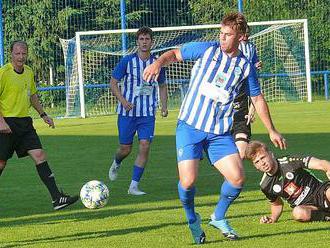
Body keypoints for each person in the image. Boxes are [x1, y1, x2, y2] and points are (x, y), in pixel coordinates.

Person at [143, 12, 286, 244]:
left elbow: (257, 99)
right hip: (190, 126)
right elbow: (174, 54)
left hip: (218, 133)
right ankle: (192, 220)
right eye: (221, 33)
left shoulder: (245, 66)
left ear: (241, 37)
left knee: (238, 178)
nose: (222, 38)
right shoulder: (206, 49)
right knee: (188, 182)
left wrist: (272, 130)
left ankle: (218, 217)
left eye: (228, 35)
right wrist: (158, 63)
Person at [0, 40, 78, 210]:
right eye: (17, 53)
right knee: (1, 164)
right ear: (11, 54)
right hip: (6, 123)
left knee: (40, 155)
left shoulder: (28, 72)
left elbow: (32, 95)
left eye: (24, 53)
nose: (21, 57)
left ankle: (57, 199)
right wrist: (1, 121)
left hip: (24, 124)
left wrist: (43, 114)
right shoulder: (3, 73)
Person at [108, 26, 168, 196]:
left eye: (147, 39)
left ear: (152, 42)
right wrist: (123, 101)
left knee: (144, 145)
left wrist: (164, 106)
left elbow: (162, 85)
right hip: (127, 113)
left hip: (147, 113)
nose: (144, 42)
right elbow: (113, 82)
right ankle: (116, 162)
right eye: (141, 39)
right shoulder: (127, 61)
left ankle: (133, 186)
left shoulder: (157, 64)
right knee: (125, 149)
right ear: (137, 42)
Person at [245, 140, 330, 223]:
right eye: (257, 162)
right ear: (256, 166)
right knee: (297, 213)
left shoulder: (290, 161)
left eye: (263, 157)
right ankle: (326, 216)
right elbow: (277, 204)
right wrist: (272, 218)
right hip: (307, 206)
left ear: (271, 154)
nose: (262, 163)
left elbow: (322, 164)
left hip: (320, 192)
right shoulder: (265, 185)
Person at [233, 25, 262, 159]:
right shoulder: (234, 48)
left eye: (248, 34)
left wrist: (257, 64)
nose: (246, 36)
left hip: (246, 90)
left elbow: (255, 62)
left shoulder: (251, 47)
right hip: (233, 91)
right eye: (244, 34)